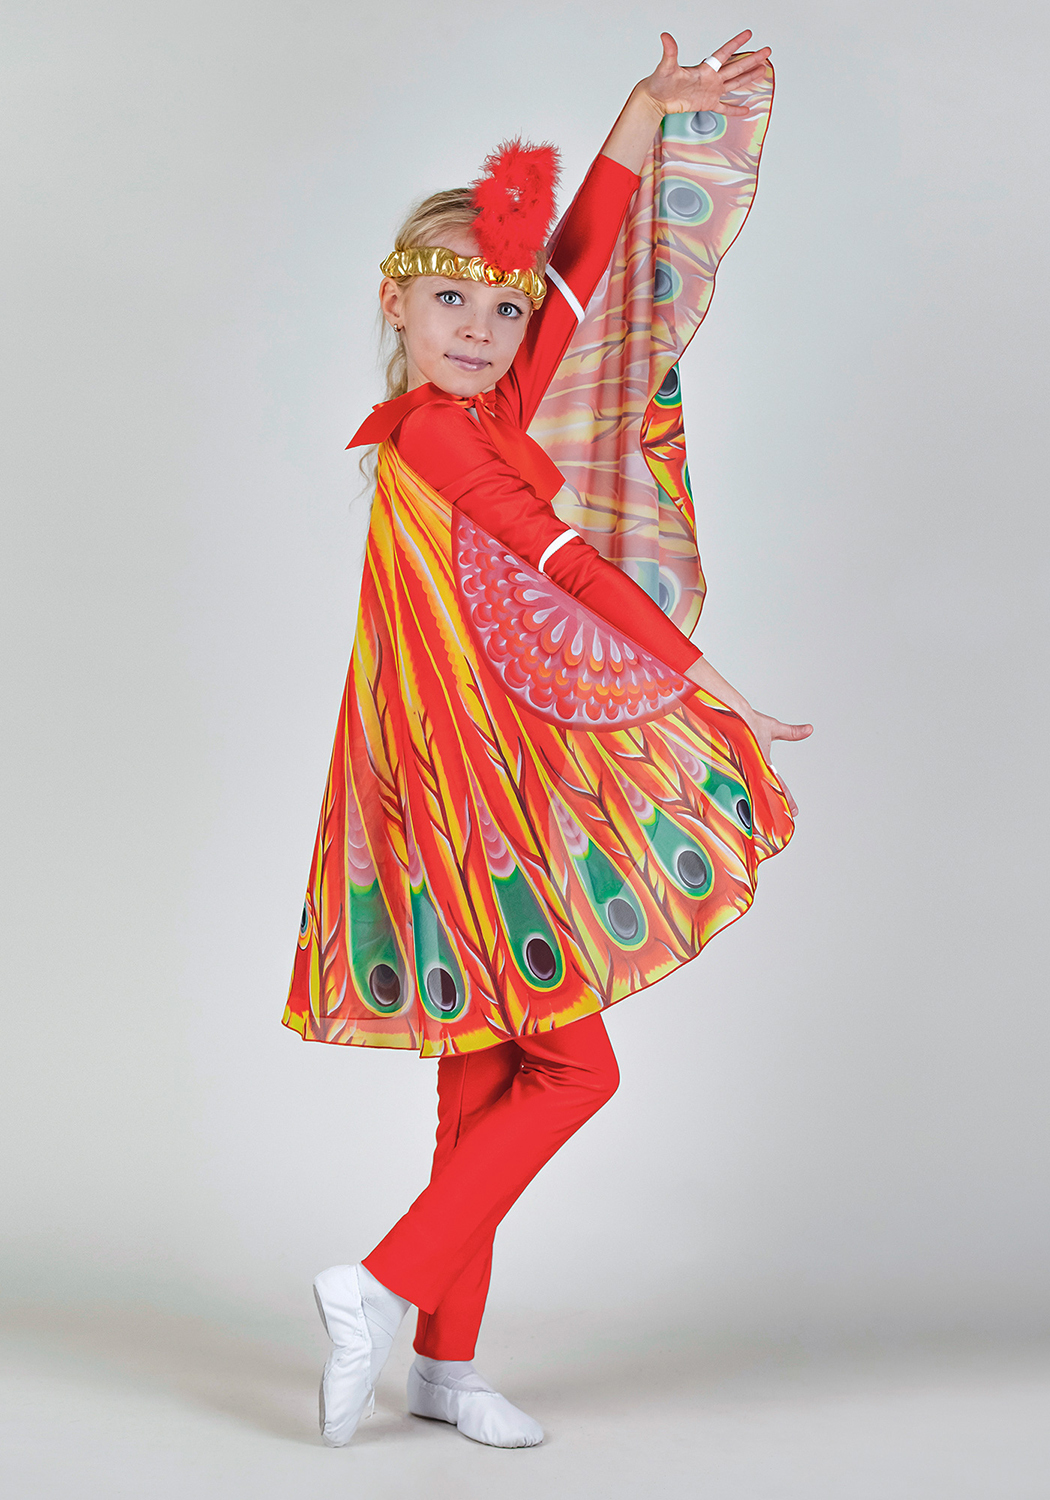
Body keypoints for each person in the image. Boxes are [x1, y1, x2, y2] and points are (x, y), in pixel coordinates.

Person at [288, 29, 812, 1450]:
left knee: (480, 1086)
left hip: (477, 790)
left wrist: (642, 111)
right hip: (453, 805)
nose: (478, 327)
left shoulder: (498, 404)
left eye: (500, 310)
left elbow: (577, 265)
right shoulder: (432, 435)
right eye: (448, 298)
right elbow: (570, 564)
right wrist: (717, 686)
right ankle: (377, 1282)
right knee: (579, 1068)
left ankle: (443, 1370)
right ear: (396, 305)